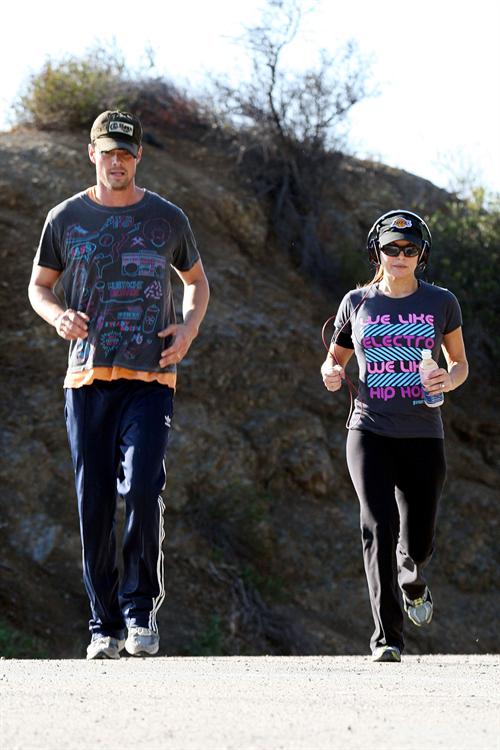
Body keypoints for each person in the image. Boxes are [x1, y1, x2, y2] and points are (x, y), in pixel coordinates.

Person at [28, 110, 210, 659]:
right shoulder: (65, 218)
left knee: (143, 490)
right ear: (92, 154)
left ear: (138, 157)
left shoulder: (167, 218)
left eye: (126, 154)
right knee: (94, 503)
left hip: (151, 378)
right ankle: (102, 626)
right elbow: (39, 286)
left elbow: (196, 283)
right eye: (108, 152)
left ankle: (139, 612)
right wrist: (57, 316)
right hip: (86, 378)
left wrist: (188, 328)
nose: (117, 162)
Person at [321, 210, 468, 662]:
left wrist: (448, 379)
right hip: (369, 429)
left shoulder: (442, 302)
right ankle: (387, 638)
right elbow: (334, 358)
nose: (400, 256)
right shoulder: (357, 302)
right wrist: (330, 372)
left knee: (418, 539)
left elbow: (460, 363)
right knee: (377, 526)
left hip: (424, 433)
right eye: (391, 248)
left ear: (421, 254)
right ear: (376, 252)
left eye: (409, 249)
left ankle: (412, 572)